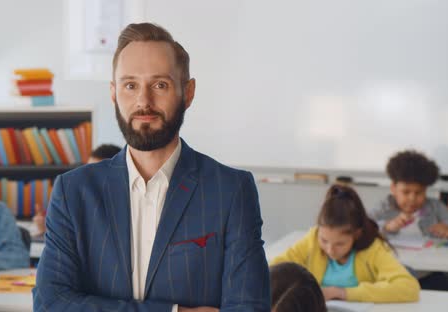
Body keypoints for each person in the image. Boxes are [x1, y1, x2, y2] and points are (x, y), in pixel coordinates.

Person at [33, 22, 270, 311]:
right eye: (130, 85)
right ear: (113, 93)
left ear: (189, 92)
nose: (143, 101)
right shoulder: (74, 192)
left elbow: (249, 307)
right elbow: (50, 304)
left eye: (160, 85)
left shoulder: (231, 190)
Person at [271, 184, 420, 303]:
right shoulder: (312, 239)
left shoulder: (372, 248)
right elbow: (274, 270)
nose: (330, 250)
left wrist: (342, 293)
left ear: (356, 234)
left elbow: (409, 288)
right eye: (324, 240)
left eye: (340, 244)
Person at [370, 149, 448, 291]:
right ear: (393, 188)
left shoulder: (435, 207)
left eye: (419, 192)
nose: (412, 198)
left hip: (428, 275)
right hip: (391, 277)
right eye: (406, 192)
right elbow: (362, 232)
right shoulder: (383, 208)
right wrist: (386, 227)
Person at [33, 143, 122, 235]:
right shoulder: (76, 205)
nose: (89, 178)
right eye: (87, 170)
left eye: (96, 172)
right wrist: (46, 231)